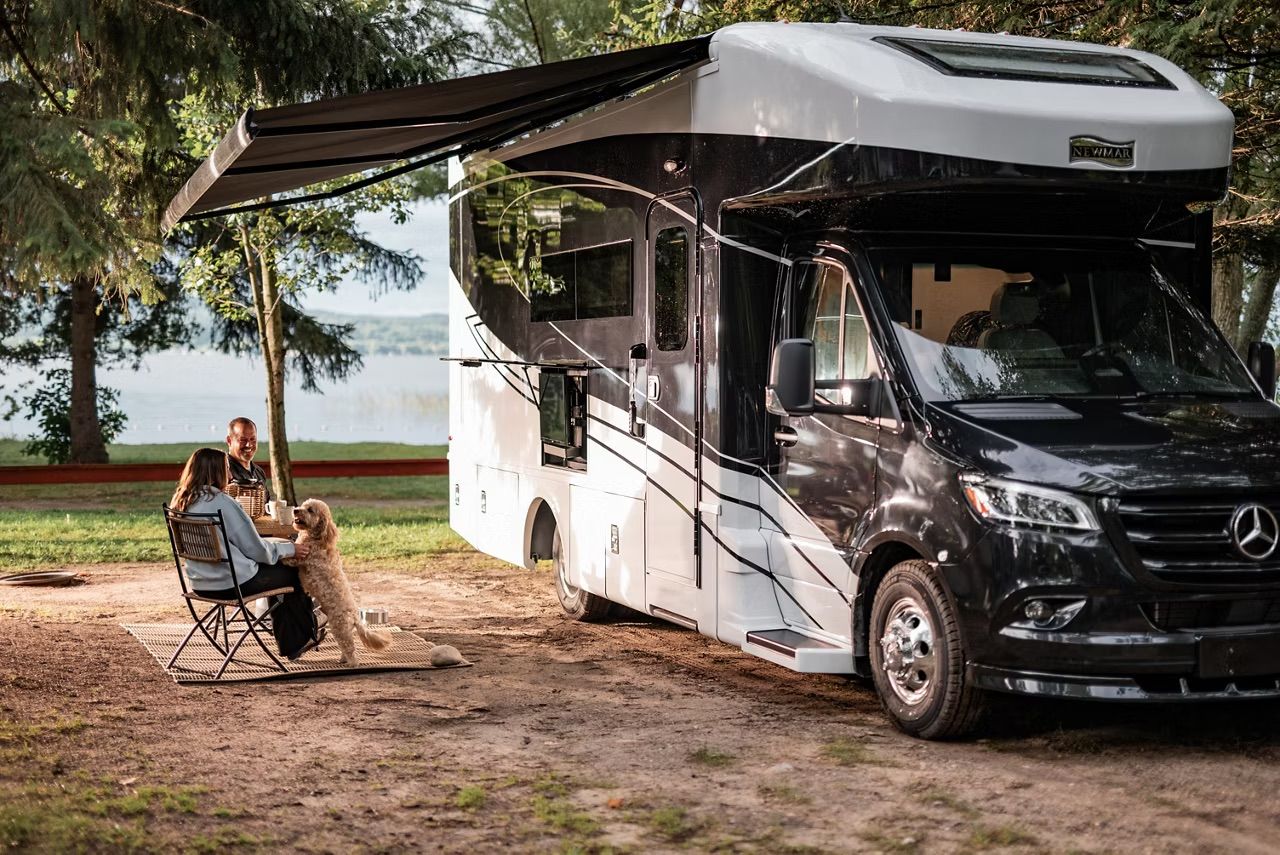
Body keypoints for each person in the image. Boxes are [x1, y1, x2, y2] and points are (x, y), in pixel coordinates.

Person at [170, 447, 322, 660]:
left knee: (277, 568)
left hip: (201, 583)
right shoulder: (222, 503)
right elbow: (256, 550)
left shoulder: (181, 502)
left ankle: (296, 635)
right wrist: (290, 548)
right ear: (215, 472)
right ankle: (296, 643)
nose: (231, 475)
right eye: (226, 468)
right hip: (231, 585)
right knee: (293, 572)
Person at [226, 417, 271, 501]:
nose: (248, 445)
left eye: (252, 439)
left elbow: (266, 506)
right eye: (243, 440)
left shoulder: (259, 472)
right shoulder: (221, 471)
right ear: (229, 441)